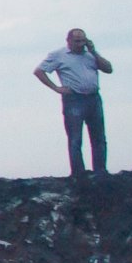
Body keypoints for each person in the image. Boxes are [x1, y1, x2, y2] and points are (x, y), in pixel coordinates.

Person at [35, 28, 113, 178]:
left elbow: (108, 69)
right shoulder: (58, 55)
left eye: (83, 40)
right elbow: (39, 71)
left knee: (99, 137)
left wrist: (94, 52)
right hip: (74, 99)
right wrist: (56, 88)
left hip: (93, 98)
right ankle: (78, 174)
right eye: (77, 41)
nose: (80, 44)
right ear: (69, 41)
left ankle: (100, 171)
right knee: (75, 138)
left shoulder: (90, 54)